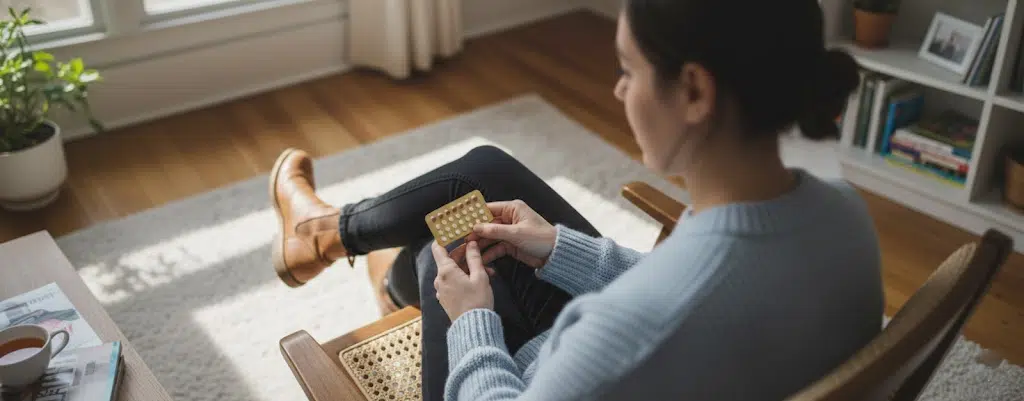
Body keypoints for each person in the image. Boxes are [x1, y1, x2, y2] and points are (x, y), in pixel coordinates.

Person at [267, 0, 884, 399]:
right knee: (480, 182)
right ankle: (332, 236)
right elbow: (693, 287)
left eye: (628, 69)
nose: (618, 90)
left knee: (439, 259)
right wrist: (560, 248)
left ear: (694, 90)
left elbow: (662, 310)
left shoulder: (622, 333)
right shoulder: (845, 216)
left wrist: (472, 321)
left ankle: (376, 264)